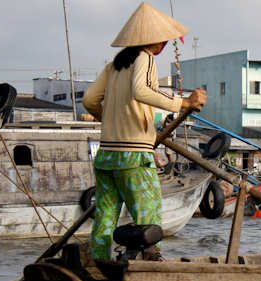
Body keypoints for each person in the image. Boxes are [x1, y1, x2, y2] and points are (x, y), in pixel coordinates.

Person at [82, 2, 207, 261]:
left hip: (107, 156)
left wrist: (110, 121)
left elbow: (89, 100)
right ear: (156, 41)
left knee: (105, 216)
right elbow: (142, 91)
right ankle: (147, 265)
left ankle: (99, 262)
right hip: (134, 156)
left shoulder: (115, 64)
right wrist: (184, 102)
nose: (163, 45)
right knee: (148, 214)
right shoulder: (145, 58)